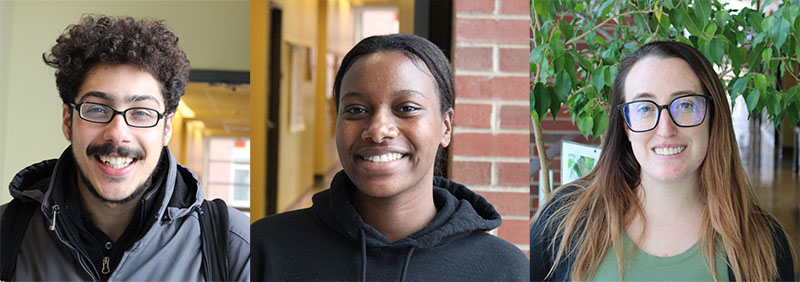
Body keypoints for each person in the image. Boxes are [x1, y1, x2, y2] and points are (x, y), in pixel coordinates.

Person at [251, 33, 529, 281]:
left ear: (446, 125)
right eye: (356, 110)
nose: (378, 131)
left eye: (406, 108)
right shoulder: (265, 249)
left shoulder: (505, 270)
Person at [0, 15, 250, 280]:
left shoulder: (236, 247)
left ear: (167, 127)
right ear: (67, 120)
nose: (118, 134)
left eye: (141, 112)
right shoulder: (6, 233)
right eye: (96, 109)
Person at [530, 41, 795, 281]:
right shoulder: (561, 223)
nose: (666, 129)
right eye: (645, 108)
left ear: (713, 117)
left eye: (686, 105)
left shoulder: (764, 243)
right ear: (625, 125)